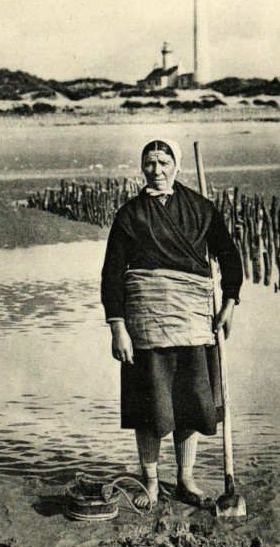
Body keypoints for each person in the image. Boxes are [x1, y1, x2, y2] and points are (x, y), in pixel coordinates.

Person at [101, 138, 243, 507]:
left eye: (164, 162)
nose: (157, 170)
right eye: (149, 163)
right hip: (145, 323)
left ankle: (185, 479)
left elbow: (228, 255)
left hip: (194, 322)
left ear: (177, 167)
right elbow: (112, 273)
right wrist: (118, 326)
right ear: (141, 167)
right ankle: (150, 481)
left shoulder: (201, 208)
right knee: (150, 407)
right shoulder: (129, 215)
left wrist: (229, 302)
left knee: (190, 401)